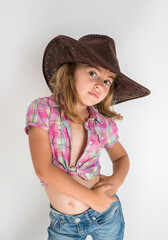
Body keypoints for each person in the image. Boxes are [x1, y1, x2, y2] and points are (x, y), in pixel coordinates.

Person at [24, 34, 151, 240]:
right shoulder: (43, 109)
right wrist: (91, 197)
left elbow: (121, 158)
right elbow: (43, 169)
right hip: (64, 224)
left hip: (106, 216)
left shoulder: (102, 124)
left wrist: (113, 184)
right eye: (93, 73)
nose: (100, 84)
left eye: (107, 81)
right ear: (71, 69)